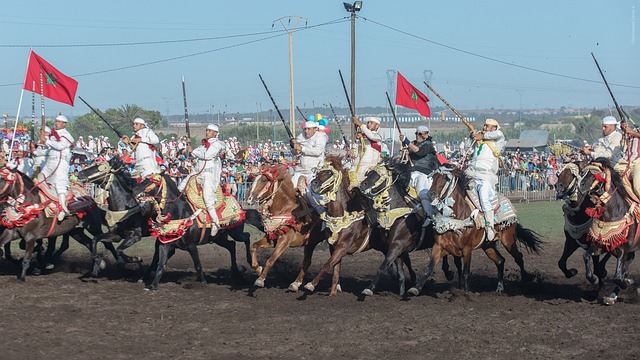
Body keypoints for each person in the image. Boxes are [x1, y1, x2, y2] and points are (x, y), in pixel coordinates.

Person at [178, 124, 226, 234]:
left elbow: (207, 155)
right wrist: (188, 147)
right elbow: (195, 154)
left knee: (207, 197)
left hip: (209, 176)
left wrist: (193, 151)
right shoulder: (203, 145)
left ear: (215, 133)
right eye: (207, 130)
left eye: (209, 131)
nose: (207, 132)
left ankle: (215, 222)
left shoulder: (217, 145)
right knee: (180, 187)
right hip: (197, 172)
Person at [465, 118, 505, 241]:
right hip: (472, 172)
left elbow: (498, 134)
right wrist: (472, 136)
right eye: (484, 125)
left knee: (483, 197)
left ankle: (489, 226)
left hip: (486, 176)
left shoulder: (498, 137)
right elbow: (467, 146)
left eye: (487, 126)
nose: (484, 127)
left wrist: (481, 135)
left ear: (493, 128)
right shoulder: (480, 138)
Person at [399, 125, 439, 228]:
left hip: (425, 174)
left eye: (420, 134)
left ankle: (429, 216)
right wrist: (406, 151)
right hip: (412, 172)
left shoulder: (428, 145)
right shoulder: (413, 144)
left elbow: (419, 151)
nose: (418, 135)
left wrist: (406, 141)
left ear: (426, 134)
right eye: (417, 133)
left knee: (422, 191)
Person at [40, 115, 74, 221]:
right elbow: (48, 147)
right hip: (50, 162)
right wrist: (42, 139)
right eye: (56, 121)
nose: (57, 123)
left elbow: (60, 146)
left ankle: (63, 208)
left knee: (60, 185)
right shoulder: (53, 134)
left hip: (61, 162)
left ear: (64, 124)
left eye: (59, 122)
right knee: (40, 178)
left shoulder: (66, 135)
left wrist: (47, 141)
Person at [290, 121, 327, 193]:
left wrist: (302, 149)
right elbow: (294, 152)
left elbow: (317, 151)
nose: (306, 131)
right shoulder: (301, 136)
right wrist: (294, 147)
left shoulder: (320, 137)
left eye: (308, 129)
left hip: (314, 171)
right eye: (305, 129)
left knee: (311, 193)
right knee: (291, 188)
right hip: (300, 170)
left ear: (314, 129)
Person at [350, 116, 383, 183]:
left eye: (371, 123)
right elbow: (355, 153)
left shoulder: (378, 136)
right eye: (368, 123)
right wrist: (357, 139)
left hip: (371, 167)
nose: (369, 124)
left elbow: (371, 136)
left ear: (377, 126)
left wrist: (360, 124)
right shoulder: (363, 137)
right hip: (359, 165)